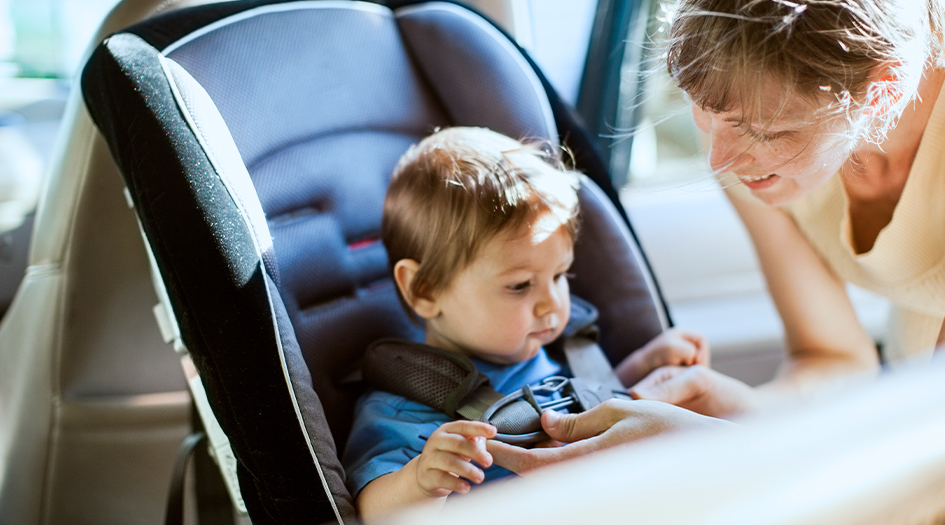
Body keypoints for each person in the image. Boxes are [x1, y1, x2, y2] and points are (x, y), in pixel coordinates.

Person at [489, 0, 945, 472]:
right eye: (704, 113)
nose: (720, 161)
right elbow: (833, 356)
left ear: (882, 91)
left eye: (765, 131)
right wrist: (741, 413)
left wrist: (723, 445)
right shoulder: (743, 122)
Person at [342, 126, 714, 522]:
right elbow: (372, 509)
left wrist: (640, 367)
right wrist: (419, 481)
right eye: (519, 286)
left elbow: (579, 409)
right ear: (425, 290)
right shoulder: (404, 406)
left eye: (560, 276)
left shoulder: (544, 351)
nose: (552, 303)